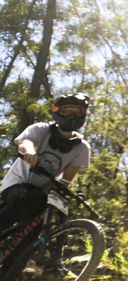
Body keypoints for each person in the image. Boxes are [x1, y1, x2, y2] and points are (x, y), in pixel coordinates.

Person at [0, 94, 91, 234]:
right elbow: (25, 144)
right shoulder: (40, 129)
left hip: (43, 195)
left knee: (40, 226)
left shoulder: (81, 148)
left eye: (77, 111)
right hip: (15, 185)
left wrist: (46, 189)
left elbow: (66, 180)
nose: (72, 116)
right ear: (57, 111)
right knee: (30, 198)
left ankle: (19, 255)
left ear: (83, 114)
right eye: (67, 111)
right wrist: (29, 153)